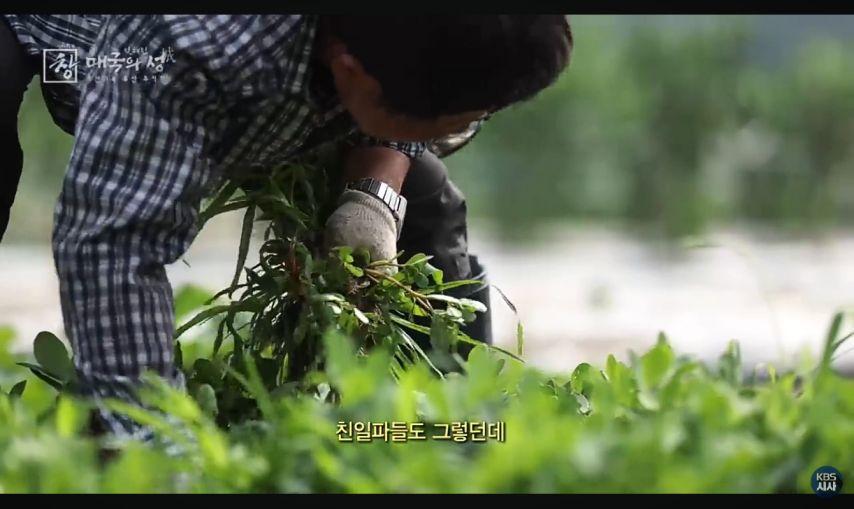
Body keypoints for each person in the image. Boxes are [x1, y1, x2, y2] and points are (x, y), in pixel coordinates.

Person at [0, 15, 573, 437]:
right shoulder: (193, 48)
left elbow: (427, 83)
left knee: (425, 203)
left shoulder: (404, 46)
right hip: (70, 39)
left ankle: (446, 430)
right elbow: (114, 244)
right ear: (349, 73)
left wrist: (374, 195)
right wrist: (149, 443)